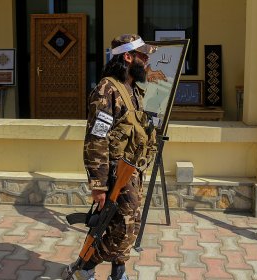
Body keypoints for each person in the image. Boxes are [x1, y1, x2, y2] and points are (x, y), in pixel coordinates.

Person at [63, 34, 157, 280]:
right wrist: (99, 185)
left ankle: (118, 272)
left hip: (133, 169)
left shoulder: (133, 88)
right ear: (127, 57)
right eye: (143, 56)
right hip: (116, 170)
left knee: (130, 224)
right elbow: (96, 139)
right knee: (121, 229)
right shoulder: (107, 90)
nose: (147, 61)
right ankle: (83, 267)